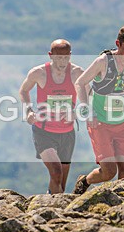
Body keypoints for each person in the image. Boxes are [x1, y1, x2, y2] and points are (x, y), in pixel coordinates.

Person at [73, 25, 124, 194]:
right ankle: (85, 181)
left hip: (123, 123)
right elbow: (80, 83)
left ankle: (120, 203)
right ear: (118, 43)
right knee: (109, 172)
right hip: (100, 124)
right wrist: (87, 110)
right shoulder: (103, 61)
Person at [19, 39, 84, 194]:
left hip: (67, 133)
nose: (62, 61)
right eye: (58, 57)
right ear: (50, 55)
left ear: (70, 55)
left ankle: (52, 204)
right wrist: (28, 110)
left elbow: (89, 98)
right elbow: (24, 90)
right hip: (43, 131)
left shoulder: (77, 73)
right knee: (56, 172)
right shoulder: (39, 73)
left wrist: (77, 112)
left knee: (60, 182)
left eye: (66, 57)